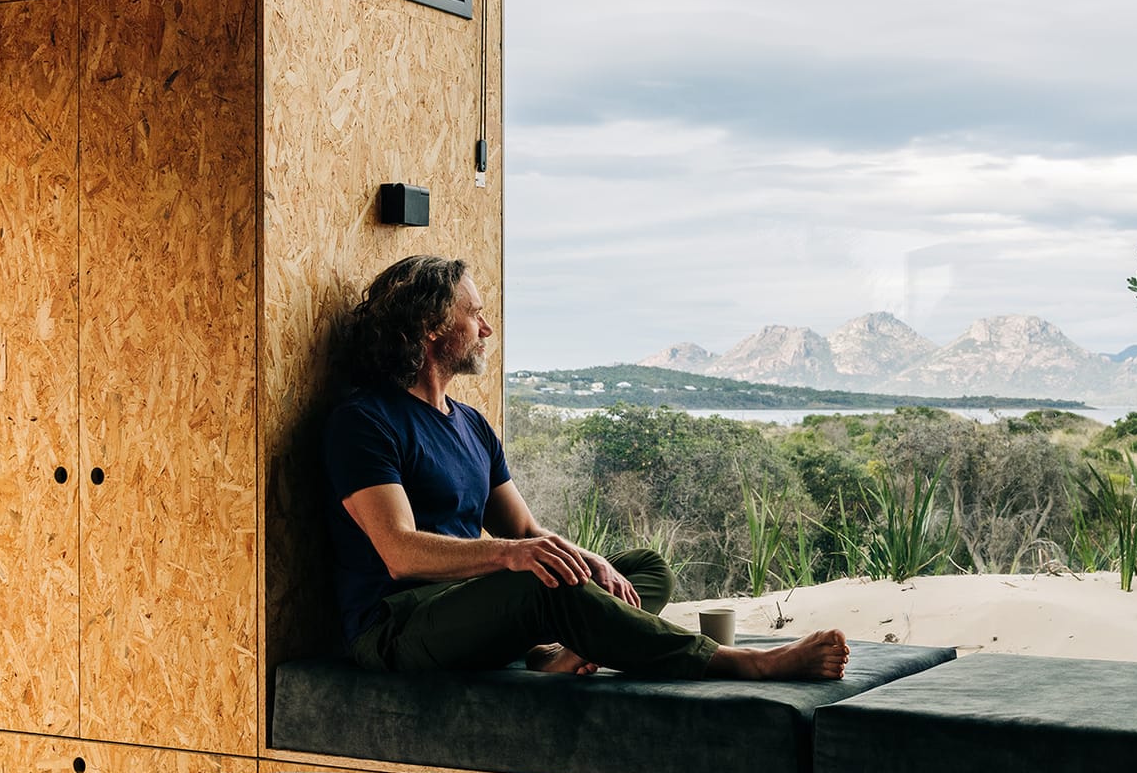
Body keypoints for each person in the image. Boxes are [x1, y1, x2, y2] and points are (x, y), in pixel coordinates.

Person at [323, 255, 851, 681]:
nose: (486, 328)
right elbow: (398, 552)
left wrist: (593, 560)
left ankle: (552, 651)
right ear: (431, 326)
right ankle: (739, 662)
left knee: (643, 567)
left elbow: (525, 529)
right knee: (539, 580)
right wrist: (514, 558)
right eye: (474, 314)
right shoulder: (366, 421)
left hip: (474, 610)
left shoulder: (471, 424)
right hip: (399, 625)